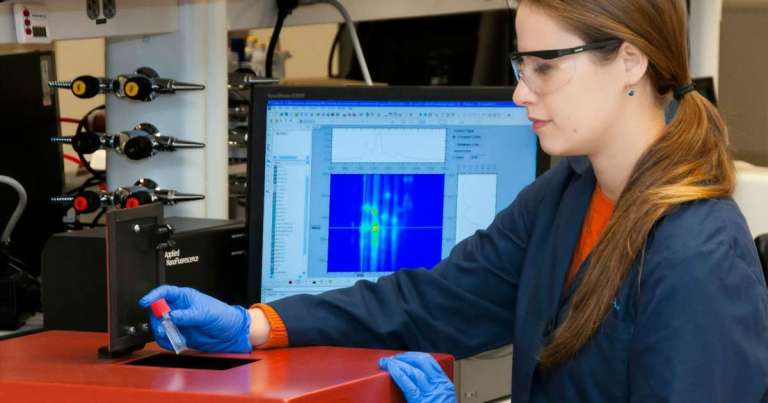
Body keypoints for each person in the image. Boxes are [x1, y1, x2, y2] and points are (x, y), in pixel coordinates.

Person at [140, 0, 768, 401]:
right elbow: (431, 301)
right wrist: (254, 324)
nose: (521, 93)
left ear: (630, 61)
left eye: (543, 67)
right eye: (519, 64)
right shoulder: (565, 197)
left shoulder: (697, 251)